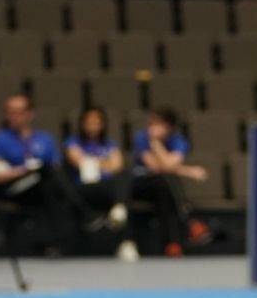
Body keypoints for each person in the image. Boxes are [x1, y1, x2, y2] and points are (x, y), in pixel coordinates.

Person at [0, 94, 81, 255]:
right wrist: (26, 170)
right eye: (10, 112)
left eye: (18, 111)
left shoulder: (45, 139)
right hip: (13, 188)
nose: (14, 116)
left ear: (30, 113)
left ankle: (57, 241)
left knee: (51, 179)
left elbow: (56, 167)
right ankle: (82, 212)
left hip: (42, 187)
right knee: (45, 173)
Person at [129, 108, 208, 257]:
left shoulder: (179, 141)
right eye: (151, 123)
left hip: (162, 187)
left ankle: (172, 245)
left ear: (169, 127)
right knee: (168, 180)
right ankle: (187, 223)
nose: (152, 127)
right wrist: (189, 171)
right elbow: (156, 166)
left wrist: (157, 145)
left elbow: (169, 166)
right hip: (140, 184)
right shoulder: (141, 137)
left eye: (158, 124)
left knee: (166, 187)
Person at [65, 106, 130, 235]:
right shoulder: (73, 142)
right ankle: (119, 207)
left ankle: (119, 208)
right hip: (85, 186)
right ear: (82, 124)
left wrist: (92, 161)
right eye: (89, 123)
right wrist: (105, 163)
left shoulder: (109, 143)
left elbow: (118, 166)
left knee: (126, 175)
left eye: (96, 123)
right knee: (120, 187)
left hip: (107, 185)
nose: (93, 127)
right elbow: (79, 162)